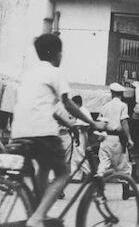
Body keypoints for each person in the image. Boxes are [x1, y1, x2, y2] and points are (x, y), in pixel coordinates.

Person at [10, 34, 105, 227]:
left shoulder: (29, 74)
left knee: (44, 167)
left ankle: (37, 210)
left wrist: (70, 126)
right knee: (62, 174)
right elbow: (67, 104)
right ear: (57, 54)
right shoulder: (54, 72)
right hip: (42, 133)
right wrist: (92, 123)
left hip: (19, 132)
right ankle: (37, 218)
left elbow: (51, 111)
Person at [97, 82, 135, 199]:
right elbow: (124, 122)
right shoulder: (123, 106)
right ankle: (126, 191)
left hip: (105, 138)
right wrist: (129, 138)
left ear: (112, 93)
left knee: (103, 164)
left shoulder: (105, 106)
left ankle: (100, 191)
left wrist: (100, 136)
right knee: (124, 165)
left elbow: (101, 123)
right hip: (118, 139)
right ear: (121, 94)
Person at [71, 95, 93, 180]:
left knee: (80, 155)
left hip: (81, 135)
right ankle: (76, 176)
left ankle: (89, 173)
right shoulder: (78, 111)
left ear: (77, 103)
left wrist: (76, 126)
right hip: (76, 134)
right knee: (75, 157)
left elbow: (86, 125)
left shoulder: (83, 111)